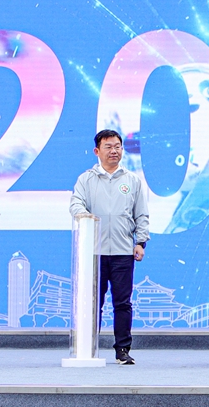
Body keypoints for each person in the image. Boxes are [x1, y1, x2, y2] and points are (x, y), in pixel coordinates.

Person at [70, 129, 150, 365]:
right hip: (93, 253)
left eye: (117, 146)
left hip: (123, 251)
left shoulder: (132, 180)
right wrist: (84, 215)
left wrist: (141, 242)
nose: (114, 151)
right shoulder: (86, 179)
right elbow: (75, 203)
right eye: (108, 147)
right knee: (93, 303)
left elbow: (141, 214)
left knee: (122, 303)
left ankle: (122, 349)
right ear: (97, 151)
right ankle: (88, 347)